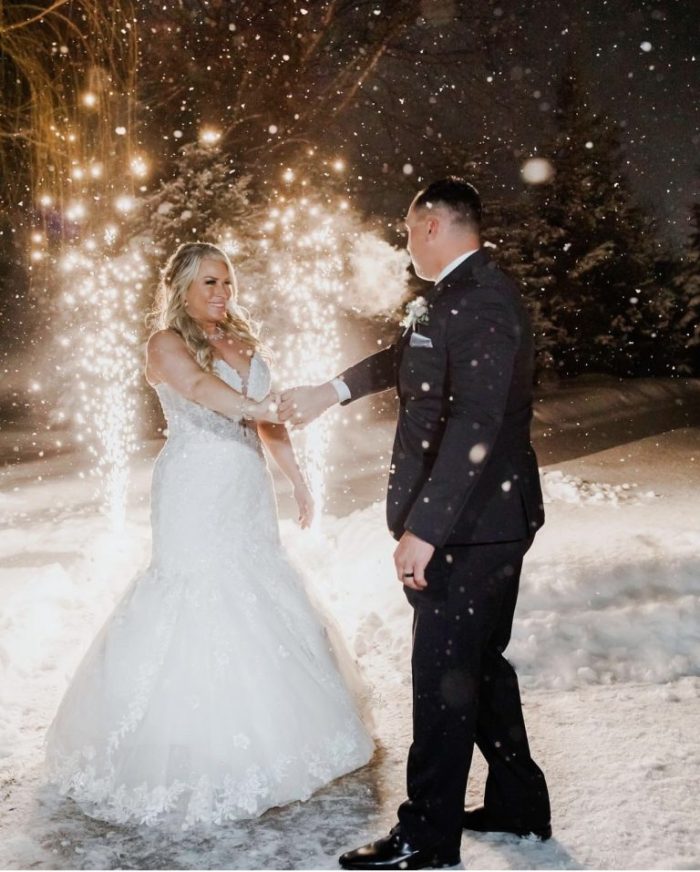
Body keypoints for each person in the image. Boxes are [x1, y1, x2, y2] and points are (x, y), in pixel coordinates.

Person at [45, 241, 373, 828]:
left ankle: (281, 734)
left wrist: (296, 479)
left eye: (226, 283)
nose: (222, 294)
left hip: (245, 486)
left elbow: (265, 425)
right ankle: (192, 746)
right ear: (181, 289)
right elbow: (201, 392)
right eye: (209, 284)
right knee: (195, 593)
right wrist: (263, 403)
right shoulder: (164, 344)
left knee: (257, 586)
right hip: (195, 486)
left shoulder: (245, 341)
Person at [279, 178, 551, 870]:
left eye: (407, 229)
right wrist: (329, 392)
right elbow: (405, 358)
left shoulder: (485, 300)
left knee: (442, 681)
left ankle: (427, 840)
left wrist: (425, 527)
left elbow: (477, 424)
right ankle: (520, 805)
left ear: (431, 225)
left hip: (471, 529)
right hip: (478, 523)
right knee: (477, 668)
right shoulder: (449, 298)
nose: (404, 242)